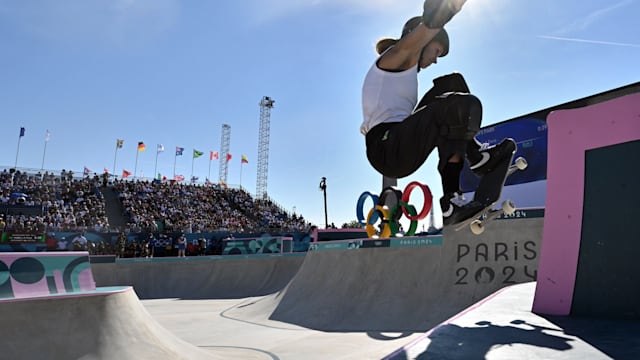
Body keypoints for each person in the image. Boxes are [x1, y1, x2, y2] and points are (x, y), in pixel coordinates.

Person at [360, 0, 515, 226]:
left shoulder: (405, 69)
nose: (434, 60)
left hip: (399, 139)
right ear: (421, 41)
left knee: (453, 83)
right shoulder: (396, 57)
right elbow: (426, 28)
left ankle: (476, 157)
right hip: (386, 148)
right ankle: (451, 202)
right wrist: (450, 6)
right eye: (436, 51)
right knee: (457, 107)